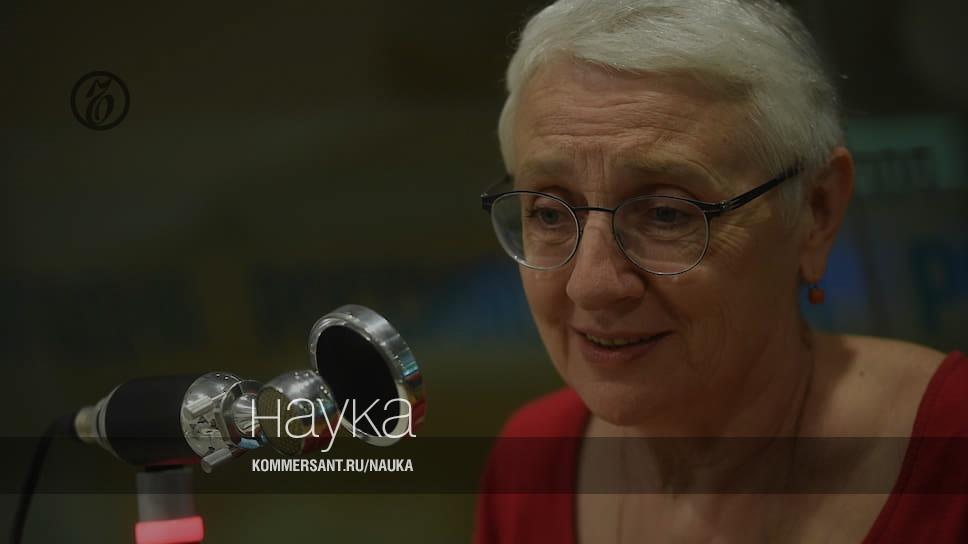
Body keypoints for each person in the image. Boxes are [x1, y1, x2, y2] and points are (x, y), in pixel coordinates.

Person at [473, 0, 968, 542]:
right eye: (549, 213)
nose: (590, 284)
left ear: (817, 211)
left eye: (666, 214)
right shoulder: (531, 461)